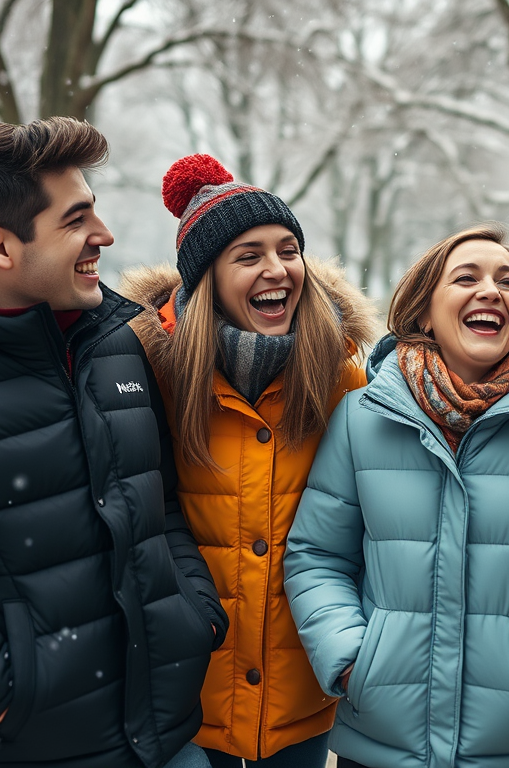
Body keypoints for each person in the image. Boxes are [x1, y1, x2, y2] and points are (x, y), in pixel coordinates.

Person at [284, 224, 509, 768]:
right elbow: (317, 558)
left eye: (508, 281)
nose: (491, 291)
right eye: (466, 277)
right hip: (379, 743)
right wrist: (353, 660)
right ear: (424, 311)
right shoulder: (359, 418)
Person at [0, 119, 226, 767]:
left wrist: (195, 614)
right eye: (76, 219)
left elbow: (159, 503)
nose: (104, 235)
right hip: (35, 745)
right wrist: (2, 689)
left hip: (170, 738)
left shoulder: (116, 342)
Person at [122, 154, 374, 767]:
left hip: (303, 690)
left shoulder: (341, 377)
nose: (277, 269)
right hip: (190, 690)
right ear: (206, 277)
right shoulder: (150, 372)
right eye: (249, 255)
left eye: (289, 249)